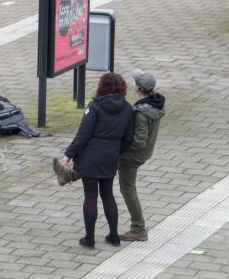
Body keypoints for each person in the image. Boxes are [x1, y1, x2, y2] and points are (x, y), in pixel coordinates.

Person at [52, 72, 133, 248]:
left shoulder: (95, 106)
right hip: (110, 158)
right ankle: (114, 235)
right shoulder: (128, 109)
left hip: (90, 157)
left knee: (90, 196)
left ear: (102, 87)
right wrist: (115, 152)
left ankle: (89, 238)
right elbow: (128, 138)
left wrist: (68, 155)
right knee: (108, 195)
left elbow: (83, 134)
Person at [118, 69, 165, 241]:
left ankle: (138, 228)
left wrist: (121, 147)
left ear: (137, 87)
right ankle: (69, 175)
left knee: (128, 189)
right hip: (144, 153)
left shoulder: (141, 113)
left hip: (132, 156)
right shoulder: (156, 103)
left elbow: (139, 140)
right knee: (98, 158)